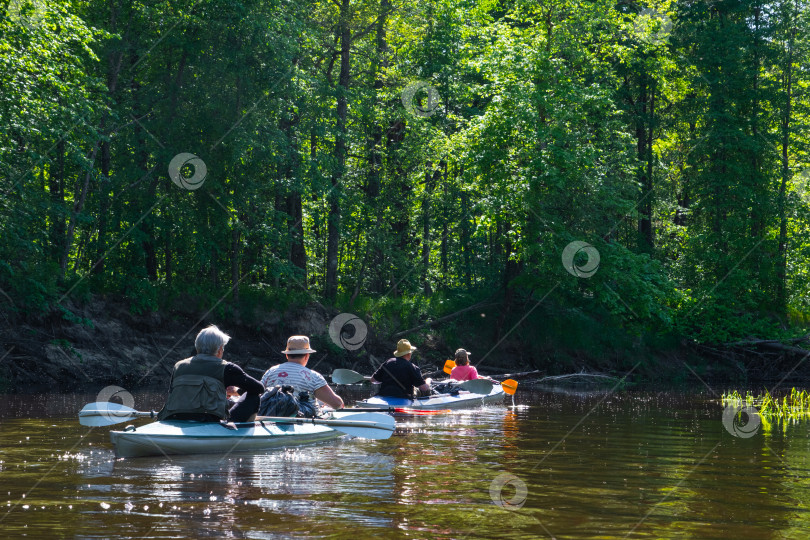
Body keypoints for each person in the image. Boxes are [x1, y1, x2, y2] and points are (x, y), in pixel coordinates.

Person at [158, 325, 265, 422]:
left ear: (197, 347)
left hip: (173, 417)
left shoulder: (179, 366)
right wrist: (237, 392)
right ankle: (242, 432)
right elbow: (259, 388)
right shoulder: (227, 368)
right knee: (254, 396)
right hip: (208, 420)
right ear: (219, 350)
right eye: (223, 348)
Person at [261, 335, 344, 410]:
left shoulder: (270, 372)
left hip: (269, 421)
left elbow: (258, 396)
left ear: (287, 355)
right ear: (307, 355)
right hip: (302, 423)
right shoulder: (313, 376)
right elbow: (337, 404)